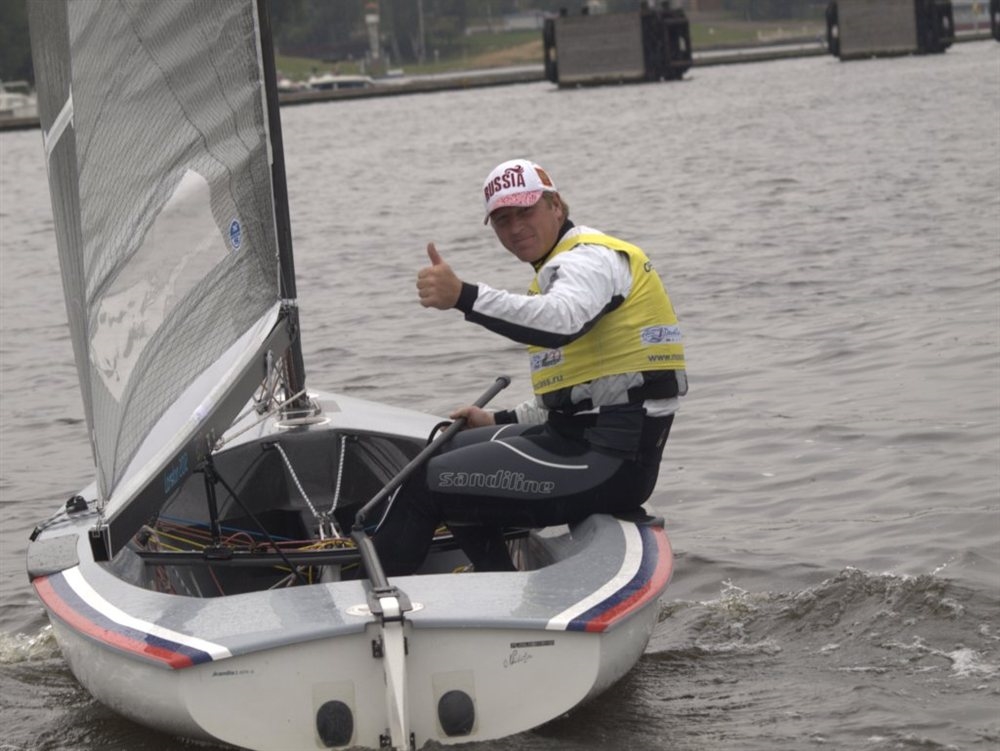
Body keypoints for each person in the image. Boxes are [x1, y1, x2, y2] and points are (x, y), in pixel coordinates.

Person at [371, 158, 687, 576]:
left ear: (556, 206)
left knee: (427, 482)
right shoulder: (558, 269)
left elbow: (563, 321)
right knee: (443, 450)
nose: (516, 228)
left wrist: (463, 296)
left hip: (611, 462)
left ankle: (370, 599)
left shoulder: (588, 260)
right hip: (579, 439)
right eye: (503, 220)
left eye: (526, 211)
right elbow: (580, 394)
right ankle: (500, 582)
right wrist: (497, 419)